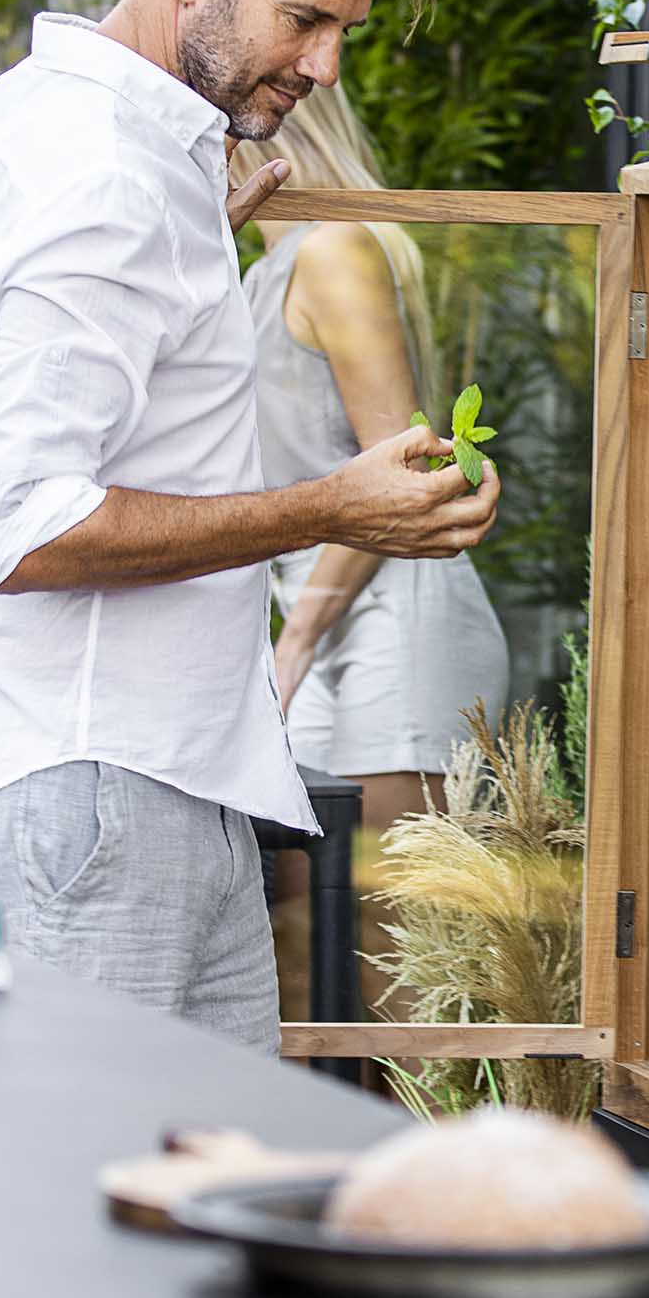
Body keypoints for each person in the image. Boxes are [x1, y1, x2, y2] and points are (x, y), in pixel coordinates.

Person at [0, 0, 498, 1054]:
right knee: (87, 1221)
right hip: (94, 796)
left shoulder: (58, 132)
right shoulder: (102, 173)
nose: (324, 68)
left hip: (143, 779)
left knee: (190, 1204)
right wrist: (329, 507)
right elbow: (23, 524)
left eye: (342, 31)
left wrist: (204, 228)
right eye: (304, 20)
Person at [231, 86, 509, 829]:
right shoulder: (259, 275)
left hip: (392, 609)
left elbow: (401, 475)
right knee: (303, 913)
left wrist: (295, 641)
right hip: (316, 610)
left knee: (372, 922)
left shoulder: (333, 249)